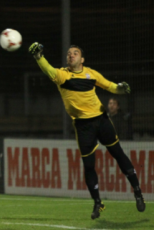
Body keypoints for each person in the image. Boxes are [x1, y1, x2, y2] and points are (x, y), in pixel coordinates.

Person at [28, 42, 145, 219]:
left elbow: (110, 86)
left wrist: (121, 88)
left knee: (119, 154)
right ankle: (98, 203)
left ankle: (137, 191)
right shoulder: (62, 75)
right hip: (83, 126)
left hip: (101, 120)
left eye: (75, 53)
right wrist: (38, 57)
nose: (71, 55)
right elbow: (48, 70)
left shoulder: (91, 73)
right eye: (69, 53)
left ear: (82, 59)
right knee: (89, 166)